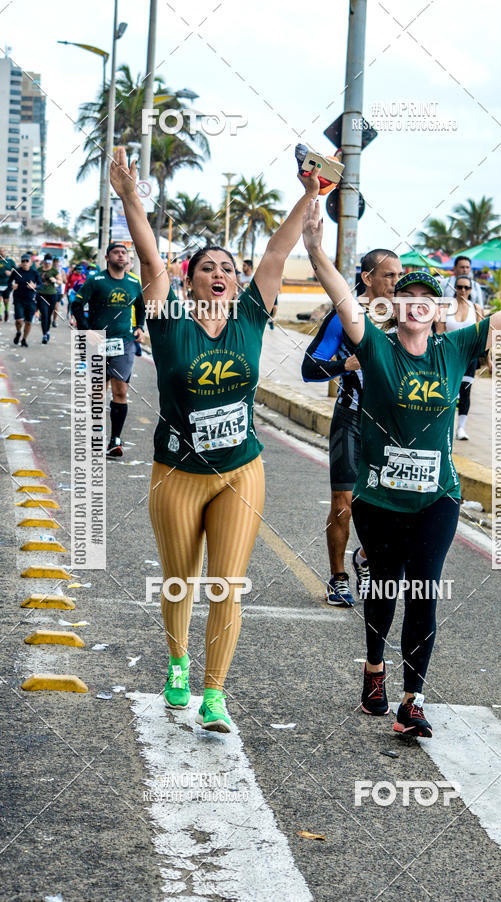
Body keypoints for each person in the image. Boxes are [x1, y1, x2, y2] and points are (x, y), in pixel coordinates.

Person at [302, 196, 501, 738]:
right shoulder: (376, 347)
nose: (415, 304)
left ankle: (412, 700)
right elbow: (342, 296)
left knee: (424, 591)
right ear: (394, 307)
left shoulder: (455, 349)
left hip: (438, 497)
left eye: (425, 298)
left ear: (436, 310)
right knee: (385, 589)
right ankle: (373, 668)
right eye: (406, 296)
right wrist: (317, 250)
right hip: (378, 498)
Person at [109, 145, 321, 733]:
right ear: (190, 279)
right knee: (181, 577)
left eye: (228, 267)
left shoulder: (253, 314)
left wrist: (310, 193)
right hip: (177, 472)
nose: (221, 274)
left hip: (240, 470)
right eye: (209, 267)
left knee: (227, 585)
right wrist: (130, 196)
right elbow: (151, 257)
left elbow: (277, 252)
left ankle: (214, 692)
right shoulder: (168, 319)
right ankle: (177, 662)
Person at [301, 248, 403, 606]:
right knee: (343, 503)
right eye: (388, 275)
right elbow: (309, 369)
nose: (396, 282)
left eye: (398, 274)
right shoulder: (344, 316)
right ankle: (338, 577)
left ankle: (363, 558)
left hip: (390, 427)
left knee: (391, 510)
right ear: (367, 278)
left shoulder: (406, 316)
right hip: (350, 419)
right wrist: (347, 364)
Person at [72, 242, 145, 457]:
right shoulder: (96, 281)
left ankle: (115, 440)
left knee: (120, 391)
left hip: (124, 342)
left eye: (124, 253)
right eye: (116, 253)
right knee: (96, 393)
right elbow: (76, 305)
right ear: (107, 257)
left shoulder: (134, 282)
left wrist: (139, 327)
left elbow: (140, 306)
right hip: (99, 341)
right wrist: (86, 331)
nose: (121, 256)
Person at [436, 274, 485, 440]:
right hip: (449, 355)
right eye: (460, 287)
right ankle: (445, 427)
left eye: (466, 288)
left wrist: (489, 359)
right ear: (455, 288)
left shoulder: (476, 308)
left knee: (465, 391)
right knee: (447, 391)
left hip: (469, 356)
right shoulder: (445, 307)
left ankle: (461, 428)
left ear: (471, 290)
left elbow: (482, 335)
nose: (463, 290)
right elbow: (439, 332)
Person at [6, 255, 42, 347]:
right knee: (19, 320)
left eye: (27, 261)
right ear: (21, 262)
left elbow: (41, 286)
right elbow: (9, 282)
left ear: (30, 262)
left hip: (30, 300)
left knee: (28, 322)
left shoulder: (35, 273)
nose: (25, 263)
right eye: (23, 261)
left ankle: (24, 339)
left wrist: (34, 286)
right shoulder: (16, 272)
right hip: (18, 299)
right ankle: (18, 332)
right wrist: (12, 286)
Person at [37, 254, 61, 344]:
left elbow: (60, 281)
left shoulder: (54, 270)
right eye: (46, 262)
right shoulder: (39, 270)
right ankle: (44, 335)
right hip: (41, 295)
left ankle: (47, 331)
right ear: (44, 261)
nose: (48, 264)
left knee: (49, 315)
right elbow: (34, 279)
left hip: (52, 295)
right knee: (44, 315)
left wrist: (55, 280)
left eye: (49, 262)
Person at [0, 247, 17, 322]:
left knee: (5, 301)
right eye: (0, 251)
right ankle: (0, 315)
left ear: (5, 252)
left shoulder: (10, 261)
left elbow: (17, 272)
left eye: (2, 251)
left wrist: (11, 273)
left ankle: (6, 311)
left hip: (7, 284)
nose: (1, 253)